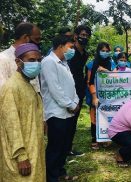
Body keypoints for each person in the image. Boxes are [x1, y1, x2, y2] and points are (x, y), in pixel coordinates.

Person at [0, 43, 45, 182]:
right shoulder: (11, 88)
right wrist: (21, 157)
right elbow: (11, 125)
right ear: (18, 62)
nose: (36, 64)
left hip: (33, 148)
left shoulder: (27, 84)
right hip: (21, 156)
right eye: (31, 60)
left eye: (38, 60)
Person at [41, 35, 80, 181]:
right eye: (70, 47)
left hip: (68, 111)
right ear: (60, 46)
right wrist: (70, 105)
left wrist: (75, 102)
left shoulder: (64, 62)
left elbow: (71, 85)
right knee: (55, 147)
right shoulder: (48, 62)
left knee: (64, 146)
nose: (72, 50)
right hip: (56, 112)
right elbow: (55, 89)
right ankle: (51, 177)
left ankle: (61, 172)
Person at [67, 24, 91, 157]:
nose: (85, 37)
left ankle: (69, 147)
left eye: (87, 36)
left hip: (79, 88)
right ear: (75, 36)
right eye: (82, 35)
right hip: (68, 87)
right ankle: (63, 148)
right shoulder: (70, 50)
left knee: (74, 120)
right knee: (67, 119)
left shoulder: (85, 54)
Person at [87, 42, 117, 149]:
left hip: (109, 96)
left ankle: (105, 138)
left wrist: (106, 71)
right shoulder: (91, 64)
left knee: (107, 117)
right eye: (102, 51)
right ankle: (95, 139)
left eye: (107, 51)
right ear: (98, 51)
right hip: (94, 95)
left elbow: (116, 77)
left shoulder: (112, 63)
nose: (104, 53)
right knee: (94, 117)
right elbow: (89, 82)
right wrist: (94, 97)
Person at [0, 22, 41, 91]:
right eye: (37, 39)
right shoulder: (3, 58)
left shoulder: (34, 57)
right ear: (25, 37)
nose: (39, 43)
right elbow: (2, 92)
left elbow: (35, 87)